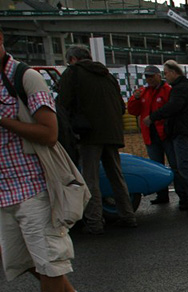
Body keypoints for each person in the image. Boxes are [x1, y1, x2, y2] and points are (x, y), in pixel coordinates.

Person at [0, 27, 97, 292]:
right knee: (25, 262)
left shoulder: (25, 78)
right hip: (3, 192)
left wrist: (5, 120)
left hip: (34, 187)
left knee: (50, 262)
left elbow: (49, 132)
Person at [58, 44, 135, 234]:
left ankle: (94, 221)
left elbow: (62, 103)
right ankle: (128, 215)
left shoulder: (73, 73)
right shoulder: (107, 75)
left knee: (90, 179)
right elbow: (120, 106)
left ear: (73, 59)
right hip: (113, 132)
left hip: (88, 133)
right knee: (116, 175)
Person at [145, 60, 188, 211]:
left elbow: (173, 107)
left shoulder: (179, 89)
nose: (166, 76)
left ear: (173, 72)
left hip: (183, 131)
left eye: (166, 73)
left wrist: (153, 117)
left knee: (184, 166)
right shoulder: (187, 87)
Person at [125, 65, 172, 204]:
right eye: (147, 77)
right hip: (150, 135)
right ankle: (162, 195)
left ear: (159, 76)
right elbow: (133, 111)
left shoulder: (167, 90)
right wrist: (135, 99)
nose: (149, 79)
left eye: (151, 76)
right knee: (157, 165)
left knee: (175, 164)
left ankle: (183, 193)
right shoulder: (143, 92)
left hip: (166, 133)